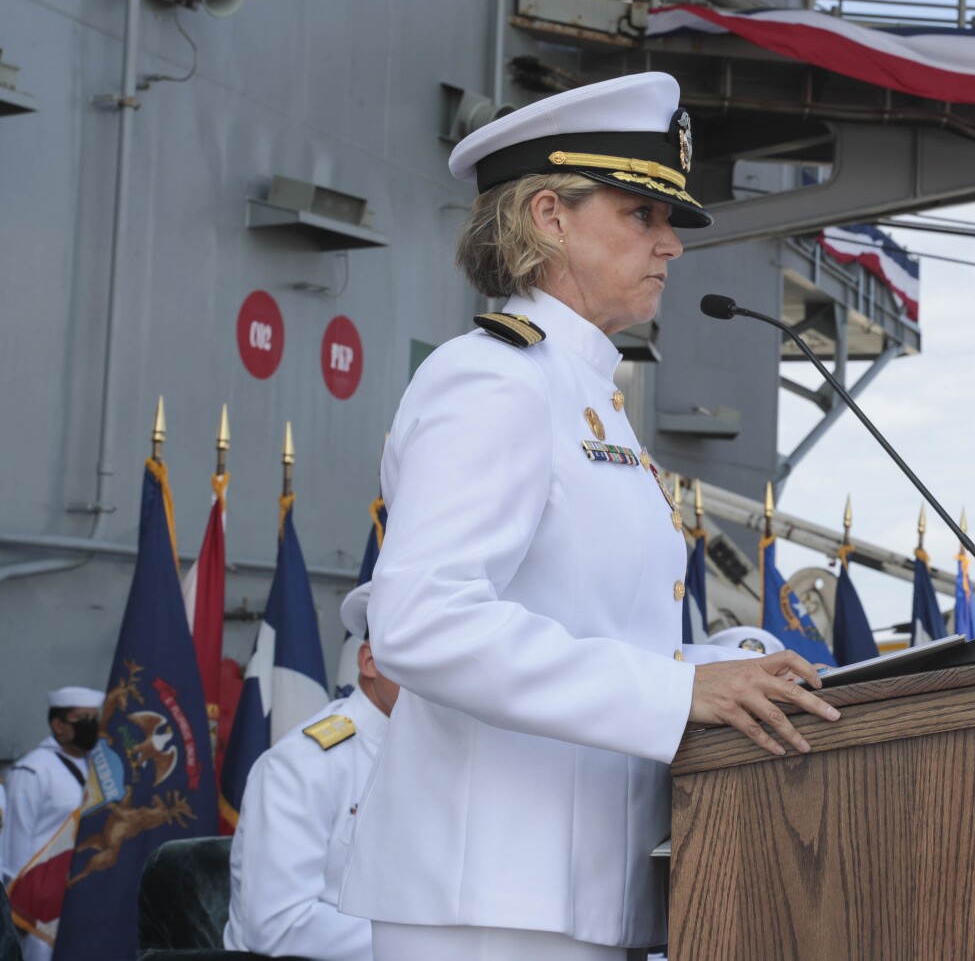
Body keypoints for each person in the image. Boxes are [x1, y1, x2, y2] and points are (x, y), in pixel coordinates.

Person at [336, 72, 841, 961]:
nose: (671, 244)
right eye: (641, 214)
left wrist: (730, 665)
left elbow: (583, 628)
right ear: (548, 216)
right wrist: (677, 691)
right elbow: (420, 623)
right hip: (487, 898)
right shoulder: (491, 379)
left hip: (574, 891)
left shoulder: (588, 401)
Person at [224, 584, 398, 961]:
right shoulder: (305, 764)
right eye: (416, 656)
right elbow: (278, 924)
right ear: (369, 662)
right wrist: (428, 945)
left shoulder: (432, 757)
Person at [2, 688, 102, 961]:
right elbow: (15, 850)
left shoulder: (99, 767)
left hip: (84, 893)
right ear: (59, 725)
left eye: (95, 718)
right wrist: (19, 912)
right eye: (82, 719)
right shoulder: (33, 770)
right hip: (41, 907)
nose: (91, 726)